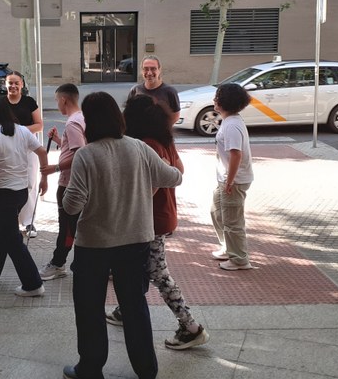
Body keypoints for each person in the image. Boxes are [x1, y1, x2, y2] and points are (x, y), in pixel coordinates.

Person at [62, 92, 182, 379]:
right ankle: (146, 373)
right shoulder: (139, 148)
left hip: (94, 246)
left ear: (89, 121)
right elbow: (173, 178)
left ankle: (91, 371)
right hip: (135, 242)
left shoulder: (87, 155)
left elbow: (72, 205)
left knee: (89, 307)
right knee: (134, 305)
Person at [105, 95, 209, 350]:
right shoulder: (164, 139)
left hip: (150, 219)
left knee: (158, 273)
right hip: (162, 215)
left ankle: (191, 327)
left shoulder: (145, 144)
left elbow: (150, 187)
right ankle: (125, 309)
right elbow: (179, 171)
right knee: (141, 266)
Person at [0, 95, 49, 297]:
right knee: (3, 234)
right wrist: (44, 177)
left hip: (3, 194)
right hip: (21, 193)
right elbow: (42, 152)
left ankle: (33, 284)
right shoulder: (23, 131)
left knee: (13, 240)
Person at [38, 84, 86, 280]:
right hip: (79, 183)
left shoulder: (72, 124)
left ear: (64, 100)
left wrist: (54, 168)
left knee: (67, 227)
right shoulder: (81, 118)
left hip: (69, 184)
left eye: (57, 100)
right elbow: (74, 147)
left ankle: (58, 264)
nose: (57, 104)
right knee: (76, 226)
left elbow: (80, 154)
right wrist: (59, 140)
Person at [210, 83, 255, 270]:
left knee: (233, 221)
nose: (214, 100)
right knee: (217, 212)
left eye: (217, 96)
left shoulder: (232, 126)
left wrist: (230, 181)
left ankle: (239, 259)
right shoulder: (230, 121)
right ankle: (229, 248)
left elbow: (236, 154)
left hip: (233, 181)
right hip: (227, 179)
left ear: (224, 101)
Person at [4, 71, 43, 238]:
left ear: (22, 85)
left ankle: (28, 221)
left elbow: (39, 125)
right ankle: (10, 221)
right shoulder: (0, 103)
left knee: (30, 183)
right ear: (5, 84)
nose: (13, 86)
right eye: (10, 83)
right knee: (8, 183)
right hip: (5, 149)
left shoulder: (29, 102)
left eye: (16, 83)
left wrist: (19, 131)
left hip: (28, 148)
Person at [128, 55, 181, 125]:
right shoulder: (135, 90)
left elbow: (175, 116)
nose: (149, 73)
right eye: (146, 69)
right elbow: (129, 114)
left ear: (159, 70)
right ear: (141, 71)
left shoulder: (170, 92)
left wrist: (161, 130)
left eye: (153, 69)